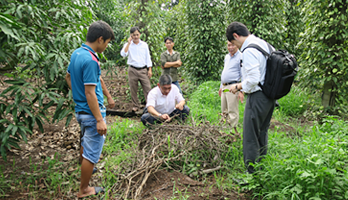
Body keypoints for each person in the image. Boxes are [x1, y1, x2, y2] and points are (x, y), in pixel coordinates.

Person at [65, 20, 115, 198]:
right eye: (108, 42)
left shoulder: (77, 53)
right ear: (100, 39)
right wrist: (100, 119)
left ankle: (86, 171)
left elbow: (68, 77)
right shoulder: (91, 60)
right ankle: (84, 189)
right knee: (92, 152)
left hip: (80, 111)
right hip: (91, 113)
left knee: (85, 143)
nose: (107, 46)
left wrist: (78, 95)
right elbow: (90, 93)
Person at [226, 22, 276, 174]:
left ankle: (252, 173)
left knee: (250, 134)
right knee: (262, 131)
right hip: (270, 96)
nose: (235, 46)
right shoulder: (263, 44)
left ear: (236, 36)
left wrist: (238, 86)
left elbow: (253, 79)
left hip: (257, 96)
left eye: (233, 43)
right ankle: (262, 167)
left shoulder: (249, 50)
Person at [120, 26, 153, 112]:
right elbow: (123, 54)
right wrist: (128, 43)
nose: (136, 37)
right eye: (134, 35)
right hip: (132, 69)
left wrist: (149, 69)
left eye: (137, 34)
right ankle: (136, 106)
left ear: (140, 34)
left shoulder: (144, 45)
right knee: (133, 88)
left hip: (143, 69)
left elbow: (148, 57)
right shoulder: (128, 45)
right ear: (131, 35)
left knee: (147, 88)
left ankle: (149, 105)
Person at [219, 41, 244, 133]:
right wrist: (221, 86)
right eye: (228, 45)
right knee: (224, 110)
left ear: (237, 45)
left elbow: (243, 74)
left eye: (232, 45)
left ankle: (233, 132)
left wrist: (241, 90)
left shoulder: (241, 56)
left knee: (232, 110)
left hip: (234, 86)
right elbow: (225, 71)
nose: (230, 47)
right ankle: (224, 131)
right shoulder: (227, 57)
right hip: (225, 86)